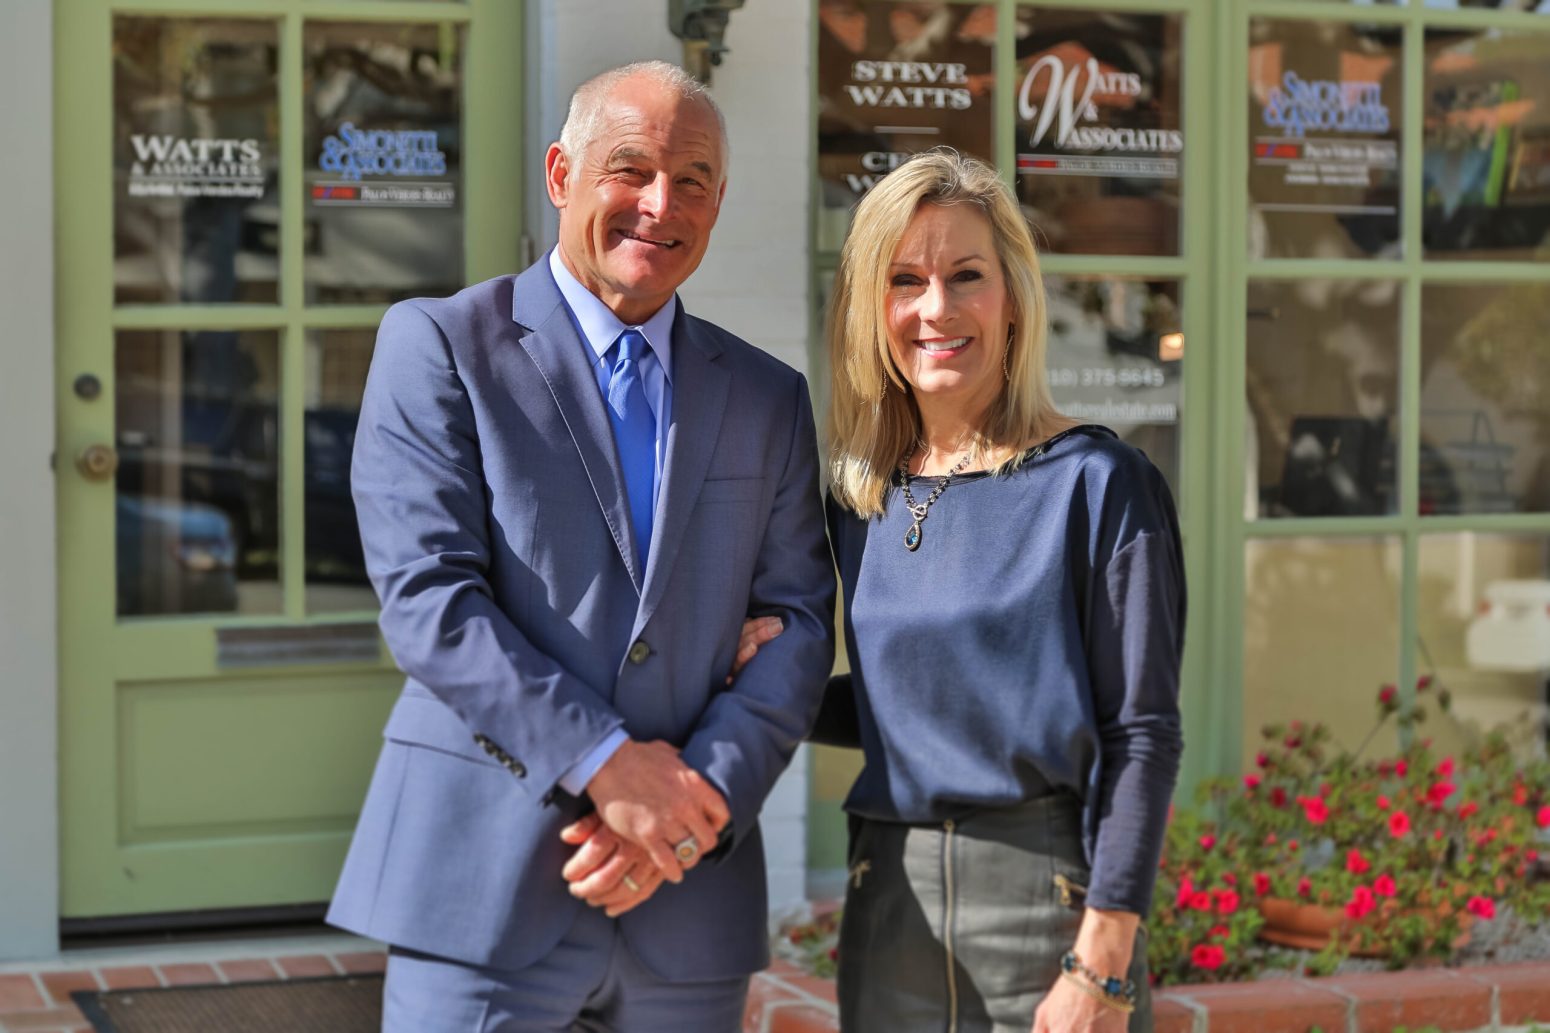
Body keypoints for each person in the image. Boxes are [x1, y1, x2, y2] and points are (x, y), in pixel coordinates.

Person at [327, 61, 836, 1032]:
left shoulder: (768, 397)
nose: (661, 204)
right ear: (561, 174)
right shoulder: (440, 347)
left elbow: (801, 626)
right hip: (481, 887)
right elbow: (430, 602)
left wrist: (691, 803)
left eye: (692, 181)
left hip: (686, 895)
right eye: (630, 169)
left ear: (719, 201)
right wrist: (606, 763)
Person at [806, 148, 1184, 1032]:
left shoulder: (1098, 483)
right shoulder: (862, 497)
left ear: (1012, 297)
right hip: (888, 907)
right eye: (905, 280)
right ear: (871, 309)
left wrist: (1101, 961)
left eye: (966, 276)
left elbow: (1141, 732)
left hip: (1045, 908)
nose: (936, 308)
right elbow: (921, 696)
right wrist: (748, 685)